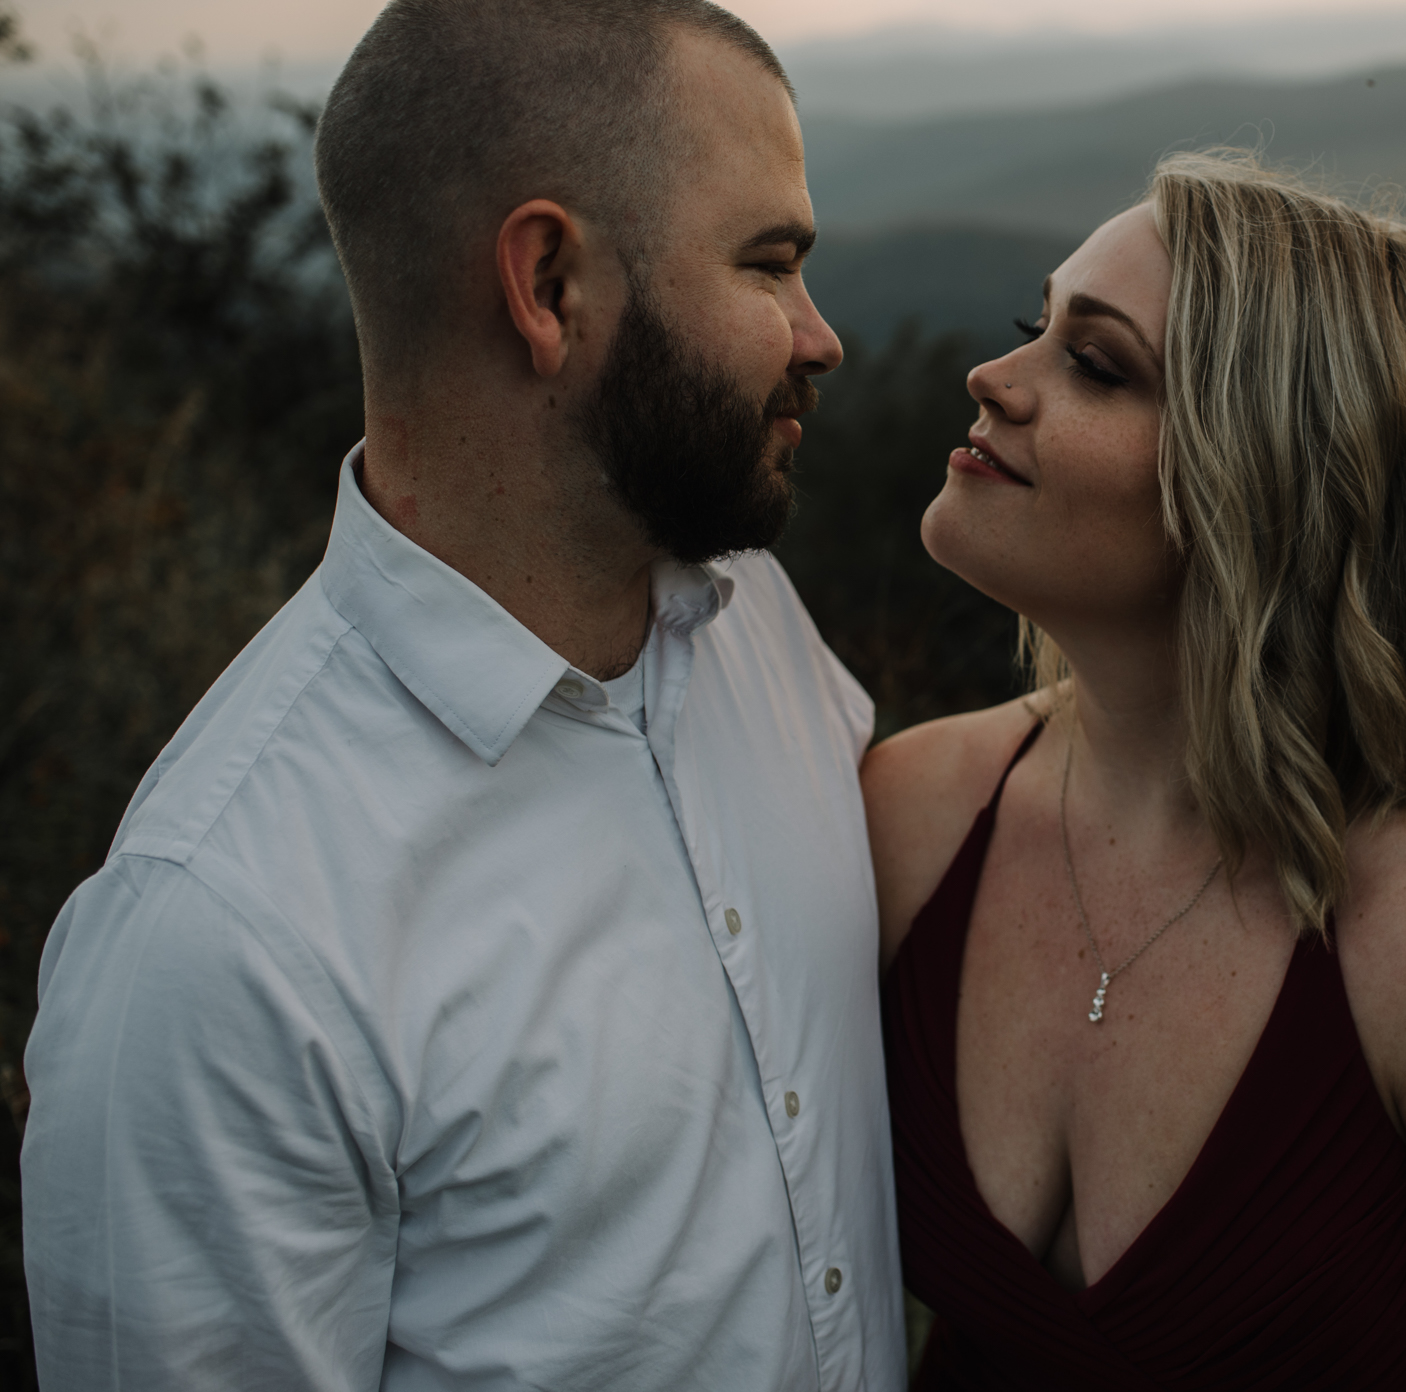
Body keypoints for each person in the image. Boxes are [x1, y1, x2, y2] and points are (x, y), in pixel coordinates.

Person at [21, 2, 905, 1387]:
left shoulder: (757, 630)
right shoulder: (222, 942)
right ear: (548, 285)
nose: (819, 335)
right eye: (769, 264)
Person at [866, 150, 1406, 1389]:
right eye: (1031, 327)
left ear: (1262, 479)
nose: (991, 378)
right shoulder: (912, 813)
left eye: (1095, 364)